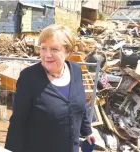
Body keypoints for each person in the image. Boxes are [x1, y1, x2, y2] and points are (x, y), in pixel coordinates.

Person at [5, 24, 94, 152]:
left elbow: (80, 105)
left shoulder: (75, 70)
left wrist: (87, 132)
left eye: (54, 49)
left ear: (67, 51)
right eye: (43, 48)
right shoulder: (29, 77)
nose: (47, 54)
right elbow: (17, 122)